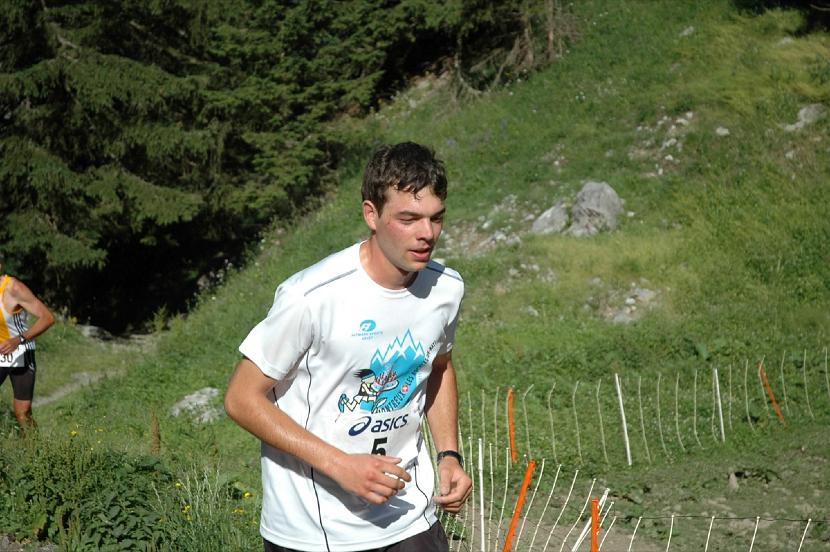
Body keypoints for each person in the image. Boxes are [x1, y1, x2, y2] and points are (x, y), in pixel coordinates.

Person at [225, 142, 472, 552]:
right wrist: (340, 465)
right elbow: (240, 398)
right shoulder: (311, 296)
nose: (427, 234)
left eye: (436, 218)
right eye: (408, 219)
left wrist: (449, 454)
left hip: (409, 516)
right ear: (371, 214)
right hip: (315, 528)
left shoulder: (446, 288)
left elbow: (440, 366)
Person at [0, 253, 55, 429]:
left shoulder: (14, 288)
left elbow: (47, 318)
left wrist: (18, 339)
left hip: (20, 351)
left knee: (22, 413)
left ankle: (34, 445)